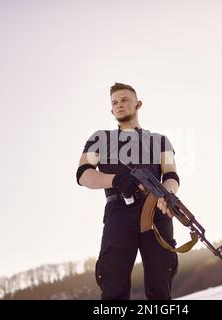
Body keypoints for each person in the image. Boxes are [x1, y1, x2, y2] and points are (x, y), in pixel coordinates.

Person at [76, 82, 181, 300]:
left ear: (138, 104)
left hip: (156, 212)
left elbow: (171, 174)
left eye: (124, 100)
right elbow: (83, 174)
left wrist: (167, 196)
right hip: (119, 214)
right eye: (115, 103)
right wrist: (116, 180)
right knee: (113, 284)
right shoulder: (100, 138)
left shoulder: (161, 141)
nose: (119, 105)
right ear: (111, 110)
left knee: (161, 285)